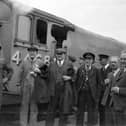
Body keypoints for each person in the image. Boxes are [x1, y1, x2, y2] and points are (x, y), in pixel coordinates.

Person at [46, 48, 74, 126]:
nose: (59, 56)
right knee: (51, 111)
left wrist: (70, 78)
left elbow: (74, 76)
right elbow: (47, 76)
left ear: (64, 55)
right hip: (53, 91)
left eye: (61, 54)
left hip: (64, 91)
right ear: (56, 55)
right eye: (58, 54)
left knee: (63, 111)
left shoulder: (69, 64)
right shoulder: (52, 64)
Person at [75, 52, 100, 126]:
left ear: (92, 60)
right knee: (80, 112)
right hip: (81, 93)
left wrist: (97, 95)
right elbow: (76, 81)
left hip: (91, 94)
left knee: (91, 113)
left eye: (90, 59)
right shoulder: (80, 69)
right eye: (86, 58)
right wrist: (77, 92)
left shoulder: (96, 70)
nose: (87, 60)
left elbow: (99, 84)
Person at [18, 45, 38, 126]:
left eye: (34, 51)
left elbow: (45, 74)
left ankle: (32, 124)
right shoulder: (24, 62)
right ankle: (23, 123)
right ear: (28, 53)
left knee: (34, 106)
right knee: (24, 105)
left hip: (35, 88)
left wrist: (38, 73)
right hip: (25, 87)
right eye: (30, 51)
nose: (32, 53)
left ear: (36, 53)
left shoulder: (40, 62)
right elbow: (20, 73)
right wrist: (19, 83)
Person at [101, 56, 120, 126]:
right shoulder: (109, 74)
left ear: (119, 63)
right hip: (107, 101)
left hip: (117, 102)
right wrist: (105, 83)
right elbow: (107, 87)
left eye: (115, 62)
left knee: (116, 122)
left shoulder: (122, 74)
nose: (113, 64)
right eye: (111, 62)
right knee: (108, 122)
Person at [110, 51, 126, 126]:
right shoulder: (120, 71)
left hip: (123, 108)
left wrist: (119, 90)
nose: (123, 61)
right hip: (115, 105)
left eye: (125, 59)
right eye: (122, 59)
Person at [98, 54, 112, 126]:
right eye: (99, 59)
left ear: (106, 60)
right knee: (101, 114)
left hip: (108, 96)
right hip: (100, 96)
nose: (100, 60)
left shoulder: (111, 69)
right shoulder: (100, 70)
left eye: (101, 59)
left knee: (107, 115)